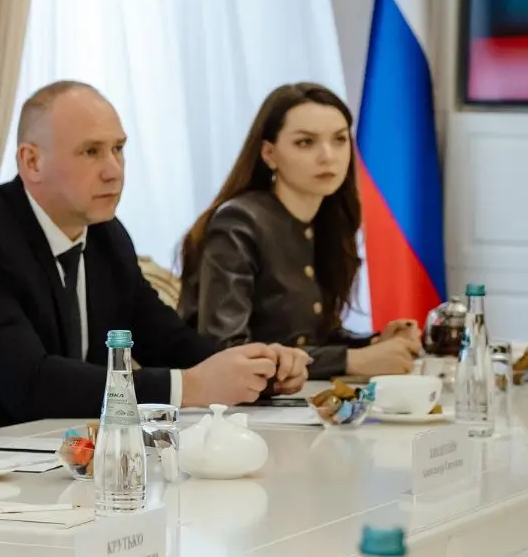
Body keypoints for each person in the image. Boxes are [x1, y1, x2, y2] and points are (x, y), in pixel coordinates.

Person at [0, 81, 309, 428]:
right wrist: (192, 387)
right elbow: (32, 384)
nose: (114, 170)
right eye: (91, 152)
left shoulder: (105, 236)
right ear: (32, 162)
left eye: (118, 148)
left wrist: (257, 369)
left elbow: (167, 340)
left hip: (48, 460)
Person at [179, 83, 421, 380]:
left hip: (294, 396)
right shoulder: (238, 223)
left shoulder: (327, 221)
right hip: (231, 403)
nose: (328, 156)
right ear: (269, 153)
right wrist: (350, 360)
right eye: (306, 142)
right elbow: (225, 350)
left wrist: (373, 343)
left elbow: (308, 337)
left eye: (339, 139)